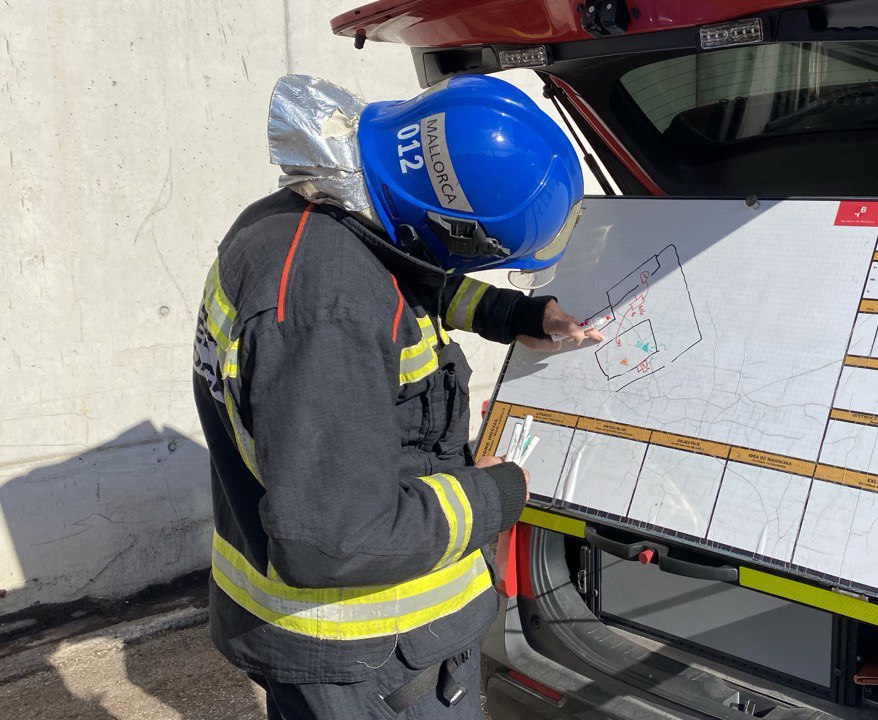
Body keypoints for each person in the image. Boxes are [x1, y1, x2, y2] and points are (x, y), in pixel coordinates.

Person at [192, 73, 602, 719]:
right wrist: (496, 493)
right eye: (479, 249)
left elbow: (408, 275)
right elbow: (336, 541)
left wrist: (509, 313)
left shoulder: (306, 216)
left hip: (349, 649)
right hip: (372, 657)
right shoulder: (330, 307)